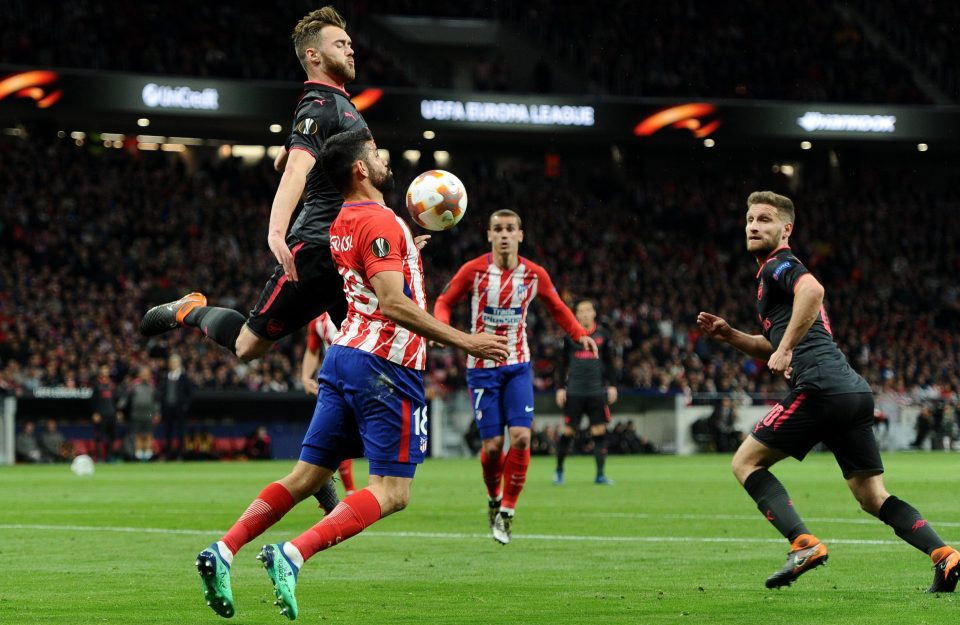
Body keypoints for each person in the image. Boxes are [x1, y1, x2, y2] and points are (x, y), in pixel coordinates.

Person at [193, 127, 508, 620]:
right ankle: (292, 555)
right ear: (360, 168)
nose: (384, 158)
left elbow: (369, 277)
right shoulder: (381, 221)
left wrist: (406, 254)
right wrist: (467, 342)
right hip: (385, 366)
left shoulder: (342, 219)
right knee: (392, 490)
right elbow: (393, 303)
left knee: (305, 476)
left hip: (344, 357)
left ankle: (223, 549)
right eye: (376, 153)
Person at [697, 190, 959, 591]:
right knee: (872, 497)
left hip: (819, 388)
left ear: (786, 229)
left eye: (764, 219)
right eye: (749, 219)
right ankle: (945, 555)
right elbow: (776, 338)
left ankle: (803, 543)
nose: (753, 226)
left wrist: (786, 350)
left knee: (745, 463)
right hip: (851, 392)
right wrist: (731, 335)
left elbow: (813, 292)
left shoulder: (779, 265)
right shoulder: (773, 279)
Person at [138, 5, 364, 362]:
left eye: (350, 43)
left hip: (350, 247)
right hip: (319, 249)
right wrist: (276, 232)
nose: (351, 49)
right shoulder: (320, 106)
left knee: (365, 345)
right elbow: (294, 172)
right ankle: (190, 310)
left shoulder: (340, 106)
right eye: (340, 44)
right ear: (313, 55)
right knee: (247, 347)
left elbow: (297, 157)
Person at [434, 210, 598, 545]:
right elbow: (444, 300)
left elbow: (556, 306)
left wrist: (578, 332)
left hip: (518, 365)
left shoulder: (534, 274)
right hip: (481, 369)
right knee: (493, 447)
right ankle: (494, 498)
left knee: (521, 437)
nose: (504, 234)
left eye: (511, 229)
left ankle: (508, 511)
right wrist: (441, 329)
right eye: (498, 229)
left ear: (521, 235)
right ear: (490, 236)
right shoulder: (474, 270)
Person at [553, 299, 618, 485]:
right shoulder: (569, 337)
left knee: (599, 431)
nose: (584, 314)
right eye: (580, 311)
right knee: (568, 431)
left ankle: (600, 474)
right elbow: (561, 365)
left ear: (594, 313)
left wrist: (612, 385)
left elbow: (610, 363)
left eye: (588, 310)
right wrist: (560, 388)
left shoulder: (603, 335)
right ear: (576, 314)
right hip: (574, 391)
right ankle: (559, 470)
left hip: (596, 391)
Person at [301, 312, 357, 494]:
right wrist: (305, 377)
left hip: (363, 379)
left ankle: (331, 486)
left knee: (341, 438)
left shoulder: (357, 308)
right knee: (337, 436)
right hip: (337, 384)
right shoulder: (318, 321)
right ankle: (350, 491)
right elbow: (312, 350)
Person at [156, 354, 193, 460]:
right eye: (171, 363)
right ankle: (169, 453)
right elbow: (162, 392)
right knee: (168, 432)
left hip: (179, 409)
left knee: (180, 432)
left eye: (174, 363)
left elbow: (190, 393)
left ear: (179, 364)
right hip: (168, 408)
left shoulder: (183, 377)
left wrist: (185, 405)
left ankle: (180, 454)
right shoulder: (166, 377)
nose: (172, 365)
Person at [123, 366, 159, 461]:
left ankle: (148, 456)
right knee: (137, 435)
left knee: (148, 435)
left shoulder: (152, 386)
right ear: (139, 374)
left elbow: (156, 402)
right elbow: (126, 398)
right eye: (143, 373)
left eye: (147, 373)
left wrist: (157, 413)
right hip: (136, 414)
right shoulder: (134, 385)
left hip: (149, 414)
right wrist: (120, 409)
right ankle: (138, 456)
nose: (145, 375)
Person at [90, 364, 121, 462]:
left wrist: (118, 411)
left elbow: (116, 399)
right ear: (100, 372)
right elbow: (93, 400)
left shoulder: (112, 384)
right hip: (101, 414)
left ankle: (110, 457)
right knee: (99, 437)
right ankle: (99, 457)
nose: (105, 372)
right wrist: (95, 412)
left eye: (106, 370)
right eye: (103, 370)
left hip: (111, 414)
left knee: (112, 437)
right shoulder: (96, 384)